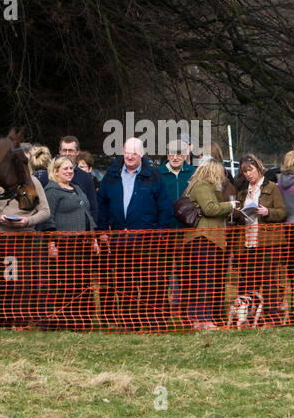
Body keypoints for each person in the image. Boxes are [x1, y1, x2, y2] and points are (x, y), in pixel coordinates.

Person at [97, 136, 176, 331]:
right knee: (125, 285)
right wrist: (101, 231)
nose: (129, 156)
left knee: (152, 283)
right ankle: (128, 322)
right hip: (119, 241)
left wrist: (159, 233)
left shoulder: (154, 176)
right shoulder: (112, 174)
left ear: (141, 154)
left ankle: (153, 323)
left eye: (134, 153)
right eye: (126, 152)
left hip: (148, 242)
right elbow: (102, 204)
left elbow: (165, 208)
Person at [0, 161, 51, 329]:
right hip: (1, 237)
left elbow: (45, 211)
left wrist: (28, 221)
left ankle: (20, 322)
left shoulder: (34, 182)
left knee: (23, 282)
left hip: (26, 239)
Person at [39, 155, 97, 329]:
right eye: (65, 168)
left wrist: (93, 238)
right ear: (55, 171)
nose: (69, 171)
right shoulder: (52, 191)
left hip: (83, 243)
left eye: (71, 168)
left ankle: (82, 319)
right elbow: (47, 219)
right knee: (67, 282)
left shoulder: (77, 188)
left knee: (84, 282)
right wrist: (51, 243)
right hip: (65, 244)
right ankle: (63, 320)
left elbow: (87, 213)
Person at [179, 157, 237, 330]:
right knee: (205, 280)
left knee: (200, 280)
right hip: (205, 239)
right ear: (213, 172)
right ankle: (202, 319)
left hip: (202, 239)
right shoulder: (203, 186)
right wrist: (230, 205)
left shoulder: (196, 185)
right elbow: (210, 209)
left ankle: (198, 317)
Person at [232, 155, 287, 325]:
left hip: (268, 242)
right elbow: (240, 214)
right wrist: (237, 212)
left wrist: (268, 212)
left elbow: (282, 212)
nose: (248, 174)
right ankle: (247, 316)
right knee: (248, 280)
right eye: (245, 171)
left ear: (258, 168)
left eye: (250, 170)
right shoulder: (243, 190)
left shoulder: (272, 188)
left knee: (269, 280)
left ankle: (271, 317)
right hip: (247, 242)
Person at [159, 140, 196, 204]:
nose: (175, 157)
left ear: (185, 156)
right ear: (167, 156)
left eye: (179, 154)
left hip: (187, 213)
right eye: (172, 153)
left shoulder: (194, 172)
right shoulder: (157, 173)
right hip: (165, 213)